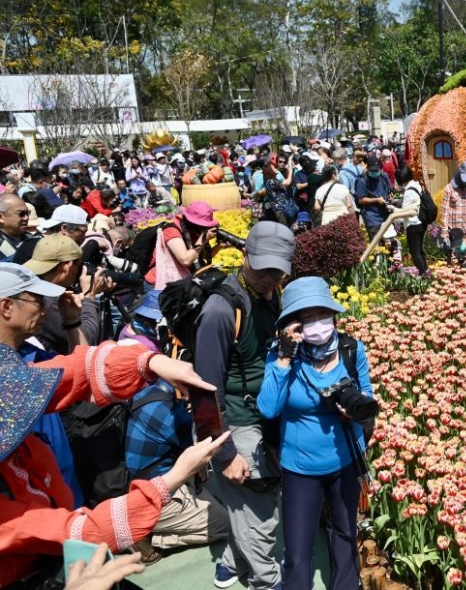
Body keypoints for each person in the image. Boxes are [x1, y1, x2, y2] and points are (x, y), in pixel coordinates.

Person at [0, 262, 229, 588]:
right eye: (36, 300)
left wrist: (150, 361)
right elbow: (82, 532)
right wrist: (177, 476)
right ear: (7, 307)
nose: (45, 307)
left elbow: (69, 372)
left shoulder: (11, 379)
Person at [194, 221, 296, 590]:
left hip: (263, 412)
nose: (270, 276)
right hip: (234, 421)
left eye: (277, 269)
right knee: (260, 508)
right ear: (245, 257)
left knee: (249, 506)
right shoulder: (222, 310)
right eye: (263, 266)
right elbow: (205, 389)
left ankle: (229, 564)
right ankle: (266, 582)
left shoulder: (271, 293)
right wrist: (225, 454)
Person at [257, 276, 375, 590]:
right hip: (300, 467)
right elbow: (268, 408)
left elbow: (367, 396)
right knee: (297, 550)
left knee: (346, 536)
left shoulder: (351, 349)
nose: (317, 324)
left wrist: (356, 410)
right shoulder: (282, 355)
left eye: (322, 314)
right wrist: (283, 358)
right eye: (306, 318)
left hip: (345, 460)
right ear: (293, 325)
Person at [122, 291, 230, 555]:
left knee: (210, 496)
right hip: (151, 489)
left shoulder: (153, 386)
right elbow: (202, 444)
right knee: (225, 523)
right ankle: (147, 537)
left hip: (154, 476)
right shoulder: (165, 410)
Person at [145, 202, 218, 290]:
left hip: (181, 281)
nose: (204, 228)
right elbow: (185, 260)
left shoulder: (193, 231)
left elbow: (200, 256)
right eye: (202, 225)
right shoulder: (172, 230)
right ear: (190, 221)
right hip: (160, 284)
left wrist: (220, 245)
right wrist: (203, 240)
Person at [396, 166, 428, 276]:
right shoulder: (417, 185)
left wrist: (393, 211)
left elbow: (404, 213)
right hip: (422, 222)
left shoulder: (408, 192)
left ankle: (422, 275)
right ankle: (426, 273)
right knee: (420, 250)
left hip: (413, 225)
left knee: (415, 253)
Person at [353, 156, 393, 241]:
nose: (374, 172)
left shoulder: (383, 176)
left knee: (391, 244)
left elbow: (390, 190)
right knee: (377, 246)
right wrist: (377, 200)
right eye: (372, 170)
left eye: (376, 170)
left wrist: (390, 195)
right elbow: (361, 200)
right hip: (372, 218)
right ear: (367, 168)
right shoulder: (362, 180)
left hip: (386, 216)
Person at [441, 161, 466, 245]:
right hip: (455, 229)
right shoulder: (449, 188)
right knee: (456, 256)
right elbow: (445, 211)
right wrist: (444, 232)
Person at [0, 193, 31, 259]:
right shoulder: (1, 246)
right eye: (21, 214)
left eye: (27, 213)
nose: (26, 218)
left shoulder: (32, 238)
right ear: (1, 217)